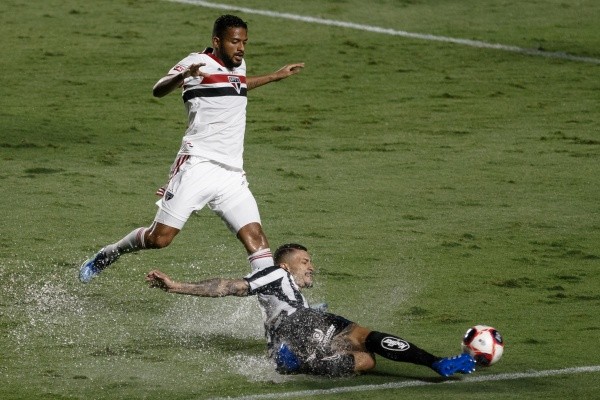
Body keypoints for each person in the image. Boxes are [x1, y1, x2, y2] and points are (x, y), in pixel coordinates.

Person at [79, 15, 304, 283]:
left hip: (231, 173)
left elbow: (237, 86)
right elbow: (158, 90)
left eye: (244, 42)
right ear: (217, 41)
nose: (241, 48)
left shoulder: (238, 65)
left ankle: (287, 314)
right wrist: (185, 75)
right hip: (197, 164)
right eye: (234, 42)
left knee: (257, 242)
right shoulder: (196, 62)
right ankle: (110, 253)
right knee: (159, 239)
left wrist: (274, 76)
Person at [145, 243, 476, 377]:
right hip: (296, 325)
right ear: (286, 264)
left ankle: (437, 363)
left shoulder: (287, 286)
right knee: (364, 348)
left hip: (308, 321)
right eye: (305, 261)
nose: (312, 267)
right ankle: (296, 362)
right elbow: (230, 286)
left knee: (366, 349)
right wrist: (176, 286)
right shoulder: (275, 273)